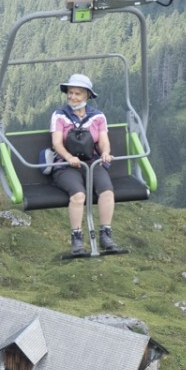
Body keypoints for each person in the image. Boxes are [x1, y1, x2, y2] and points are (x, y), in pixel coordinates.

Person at [49, 73, 123, 255]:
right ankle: (77, 240)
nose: (73, 97)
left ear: (87, 95)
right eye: (70, 93)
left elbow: (103, 140)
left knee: (106, 192)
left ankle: (106, 235)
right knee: (78, 195)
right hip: (66, 165)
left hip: (91, 162)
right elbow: (57, 143)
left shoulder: (97, 117)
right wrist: (68, 157)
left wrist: (105, 152)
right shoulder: (60, 116)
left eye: (78, 94)